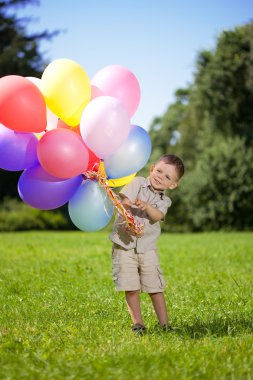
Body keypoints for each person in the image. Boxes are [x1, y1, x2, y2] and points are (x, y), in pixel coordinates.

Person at [109, 154, 184, 334]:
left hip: (147, 249)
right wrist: (130, 221)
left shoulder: (164, 200)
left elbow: (158, 215)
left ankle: (164, 325)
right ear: (152, 169)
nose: (160, 177)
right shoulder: (137, 182)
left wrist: (147, 207)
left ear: (173, 185)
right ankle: (138, 324)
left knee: (155, 288)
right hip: (124, 245)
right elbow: (125, 203)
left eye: (167, 177)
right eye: (159, 171)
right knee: (131, 287)